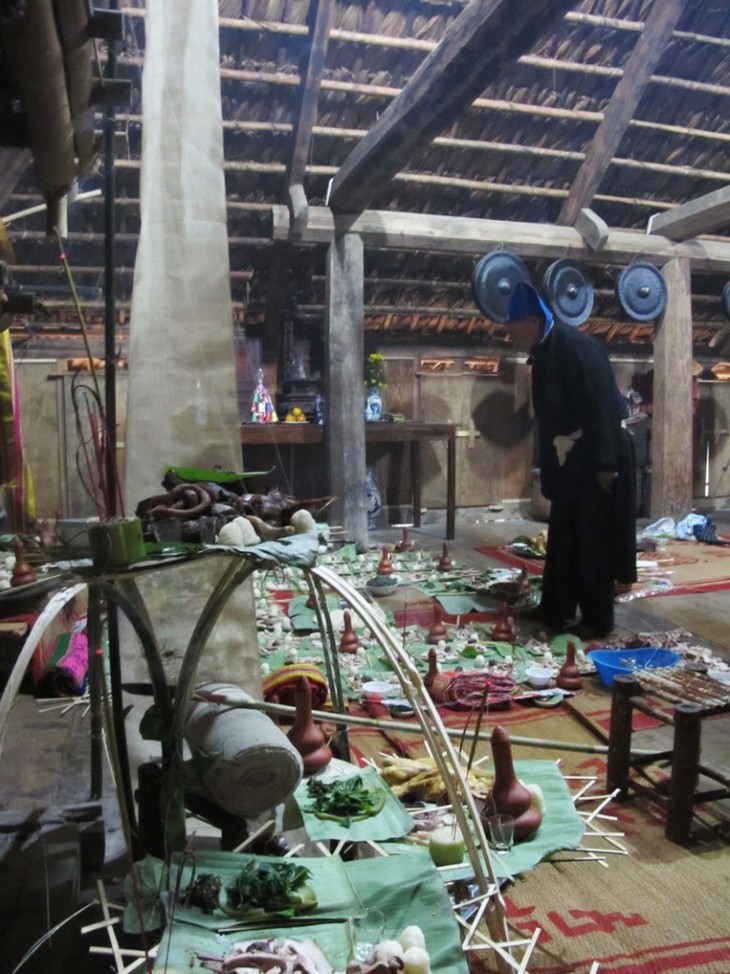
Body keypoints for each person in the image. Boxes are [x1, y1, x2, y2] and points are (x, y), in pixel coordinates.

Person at [506, 281, 637, 637]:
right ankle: (556, 608)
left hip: (599, 451)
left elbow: (604, 407)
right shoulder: (544, 353)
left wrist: (606, 465)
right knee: (564, 534)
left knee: (593, 538)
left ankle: (597, 620)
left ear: (533, 321)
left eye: (514, 328)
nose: (511, 336)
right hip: (572, 457)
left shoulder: (578, 348)